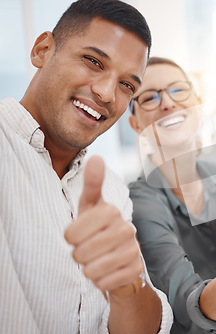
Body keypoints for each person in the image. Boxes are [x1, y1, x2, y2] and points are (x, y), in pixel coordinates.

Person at [0, 0, 174, 332]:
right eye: (93, 61)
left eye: (127, 85)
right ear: (42, 50)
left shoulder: (110, 186)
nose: (107, 92)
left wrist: (127, 287)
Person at [127, 57, 216, 333]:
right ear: (135, 123)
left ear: (197, 100)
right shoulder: (139, 202)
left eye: (178, 90)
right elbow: (183, 300)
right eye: (149, 97)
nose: (168, 103)